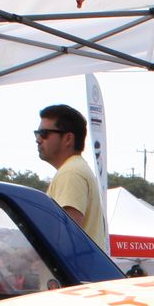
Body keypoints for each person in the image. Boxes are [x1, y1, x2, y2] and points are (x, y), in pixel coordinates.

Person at [34, 104, 107, 252]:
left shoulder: (71, 173)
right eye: (37, 133)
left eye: (44, 133)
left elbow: (67, 238)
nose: (38, 139)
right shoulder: (76, 168)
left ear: (68, 138)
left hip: (77, 274)